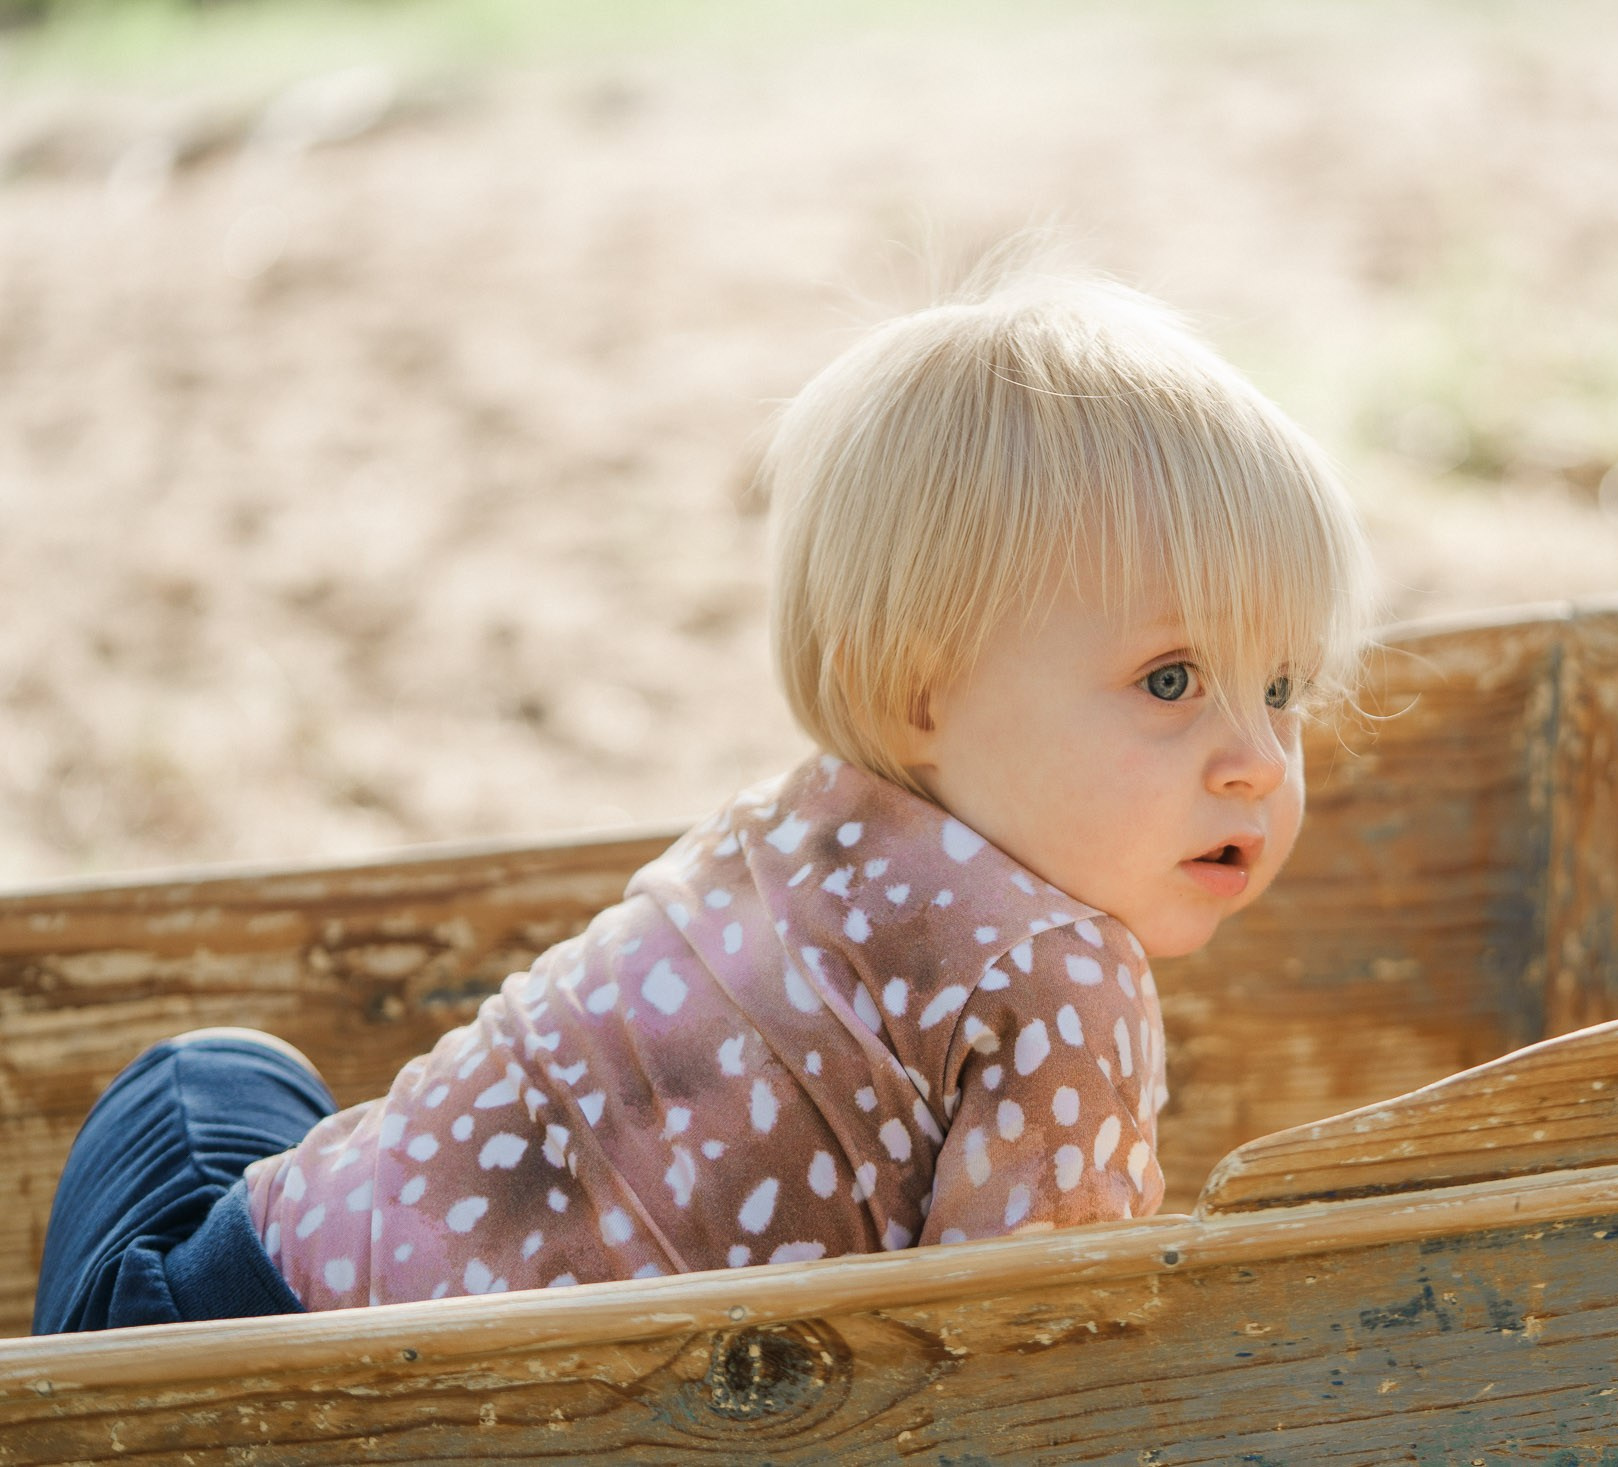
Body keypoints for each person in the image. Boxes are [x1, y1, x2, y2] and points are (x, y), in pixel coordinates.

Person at [34, 264, 1374, 1331]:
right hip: (294, 1378)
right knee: (212, 1079)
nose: (1253, 754)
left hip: (257, 1306)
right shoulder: (1070, 978)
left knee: (206, 1077)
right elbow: (1022, 1372)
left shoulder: (808, 823)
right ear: (920, 695)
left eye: (1282, 687)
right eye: (1171, 678)